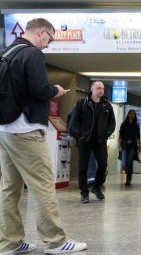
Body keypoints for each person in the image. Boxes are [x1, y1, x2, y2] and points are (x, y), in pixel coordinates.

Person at [0, 18, 87, 254]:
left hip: (5, 129)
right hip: (25, 130)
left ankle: (9, 242)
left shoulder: (7, 52)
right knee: (42, 185)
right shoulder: (32, 54)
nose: (48, 44)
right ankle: (55, 241)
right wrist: (56, 91)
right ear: (41, 32)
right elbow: (39, 89)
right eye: (50, 38)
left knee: (9, 188)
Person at [69, 81, 115, 204]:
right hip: (85, 140)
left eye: (103, 88)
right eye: (98, 88)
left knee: (103, 164)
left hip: (100, 140)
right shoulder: (82, 103)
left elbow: (112, 123)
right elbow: (73, 123)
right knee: (83, 167)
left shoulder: (107, 106)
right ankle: (84, 193)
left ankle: (96, 186)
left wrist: (106, 133)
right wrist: (80, 135)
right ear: (92, 89)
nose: (101, 90)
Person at [119, 109, 140, 186]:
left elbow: (138, 137)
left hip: (132, 146)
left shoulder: (136, 125)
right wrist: (119, 145)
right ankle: (128, 175)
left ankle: (128, 179)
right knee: (124, 162)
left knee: (130, 161)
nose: (132, 115)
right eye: (130, 113)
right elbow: (120, 135)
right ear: (128, 114)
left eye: (133, 114)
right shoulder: (123, 124)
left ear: (135, 115)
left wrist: (139, 146)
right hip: (124, 145)